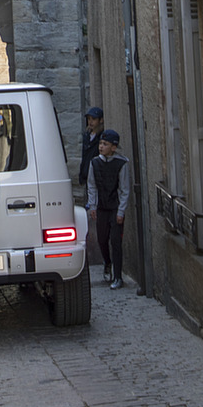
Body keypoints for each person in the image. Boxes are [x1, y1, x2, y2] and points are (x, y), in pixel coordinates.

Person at [86, 129, 131, 290]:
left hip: (115, 207)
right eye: (100, 143)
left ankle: (118, 276)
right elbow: (91, 185)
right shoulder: (95, 163)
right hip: (102, 208)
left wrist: (121, 211)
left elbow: (125, 189)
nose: (101, 146)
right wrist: (93, 205)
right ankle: (107, 262)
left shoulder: (121, 164)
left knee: (116, 241)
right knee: (102, 239)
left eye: (105, 144)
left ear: (113, 147)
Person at [78, 106, 105, 185]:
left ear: (101, 120)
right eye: (89, 119)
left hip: (98, 175)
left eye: (93, 119)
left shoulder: (101, 137)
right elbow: (84, 156)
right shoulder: (87, 136)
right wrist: (82, 174)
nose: (90, 122)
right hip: (87, 174)